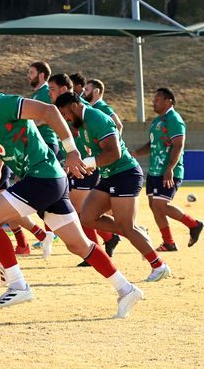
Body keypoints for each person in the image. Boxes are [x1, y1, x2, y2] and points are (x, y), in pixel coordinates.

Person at [0, 71, 143, 318]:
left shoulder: (2, 103)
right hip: (43, 180)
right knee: (78, 245)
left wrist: (71, 151)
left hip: (44, 175)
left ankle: (17, 285)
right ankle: (127, 289)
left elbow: (49, 112)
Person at [55, 92, 170, 281]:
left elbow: (114, 154)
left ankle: (159, 265)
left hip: (125, 174)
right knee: (88, 217)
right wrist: (84, 166)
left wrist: (88, 163)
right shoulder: (82, 123)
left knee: (126, 226)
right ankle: (136, 232)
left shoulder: (96, 118)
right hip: (110, 176)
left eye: (65, 114)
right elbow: (98, 156)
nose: (66, 119)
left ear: (74, 107)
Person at [48, 73, 120, 265]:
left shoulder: (85, 111)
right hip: (79, 162)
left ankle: (98, 246)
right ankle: (107, 238)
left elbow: (114, 127)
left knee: (78, 209)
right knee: (79, 210)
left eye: (52, 89)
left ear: (64, 89)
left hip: (87, 164)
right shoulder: (67, 109)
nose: (49, 93)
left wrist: (92, 155)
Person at [130, 88, 204, 251]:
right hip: (154, 171)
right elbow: (152, 145)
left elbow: (178, 145)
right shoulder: (157, 121)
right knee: (154, 205)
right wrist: (135, 153)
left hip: (168, 172)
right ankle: (169, 242)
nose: (153, 102)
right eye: (154, 99)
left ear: (169, 101)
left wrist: (170, 168)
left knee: (161, 205)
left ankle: (194, 224)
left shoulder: (174, 119)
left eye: (157, 99)